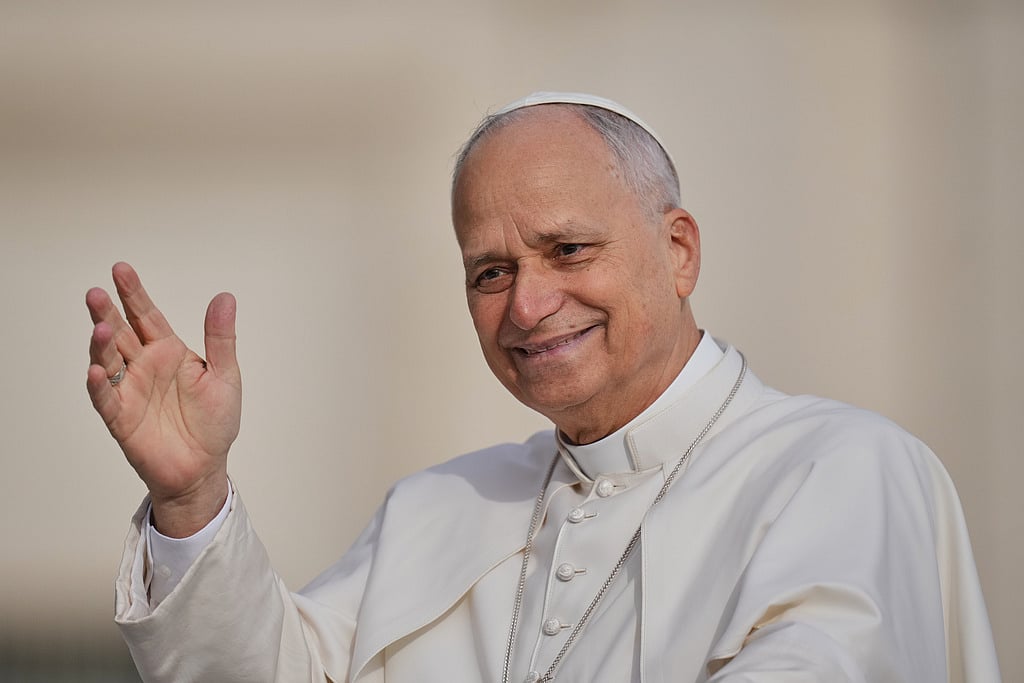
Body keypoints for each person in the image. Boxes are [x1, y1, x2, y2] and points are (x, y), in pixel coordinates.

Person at [86, 93, 1000, 682]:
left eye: (567, 249)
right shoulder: (437, 507)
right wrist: (192, 496)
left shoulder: (841, 470)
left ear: (678, 250)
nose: (528, 304)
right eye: (490, 272)